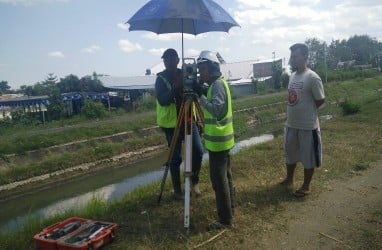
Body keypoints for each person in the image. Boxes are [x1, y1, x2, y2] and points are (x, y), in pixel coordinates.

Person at [155, 48, 204, 200]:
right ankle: (177, 191)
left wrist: (195, 82)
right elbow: (163, 100)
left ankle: (194, 181)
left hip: (189, 120)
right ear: (164, 61)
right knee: (175, 159)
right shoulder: (161, 78)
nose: (168, 61)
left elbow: (198, 90)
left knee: (198, 151)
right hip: (172, 125)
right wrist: (177, 87)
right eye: (166, 59)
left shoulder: (185, 73)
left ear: (177, 60)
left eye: (171, 58)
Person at [196, 50, 235, 229]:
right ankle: (230, 210)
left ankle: (225, 219)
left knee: (219, 181)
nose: (200, 72)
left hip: (219, 142)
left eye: (202, 68)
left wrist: (201, 97)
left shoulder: (218, 85)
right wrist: (204, 91)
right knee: (225, 177)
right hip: (221, 141)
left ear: (212, 68)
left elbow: (217, 111)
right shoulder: (216, 84)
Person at [280, 43, 325, 197]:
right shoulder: (292, 76)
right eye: (291, 57)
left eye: (295, 56)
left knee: (308, 157)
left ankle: (306, 186)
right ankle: (289, 179)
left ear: (305, 56)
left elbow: (320, 100)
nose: (292, 60)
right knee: (290, 154)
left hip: (308, 126)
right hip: (291, 124)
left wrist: (307, 112)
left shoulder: (313, 77)